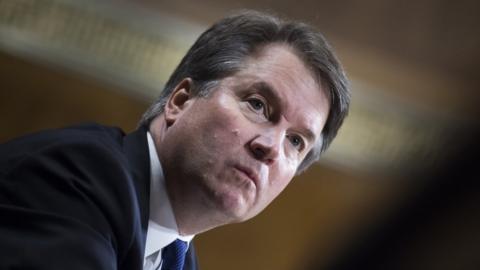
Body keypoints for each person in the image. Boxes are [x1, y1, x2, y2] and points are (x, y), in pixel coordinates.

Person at [0, 10, 350, 270]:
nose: (271, 148)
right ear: (180, 101)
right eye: (258, 105)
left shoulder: (177, 260)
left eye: (296, 142)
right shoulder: (78, 174)